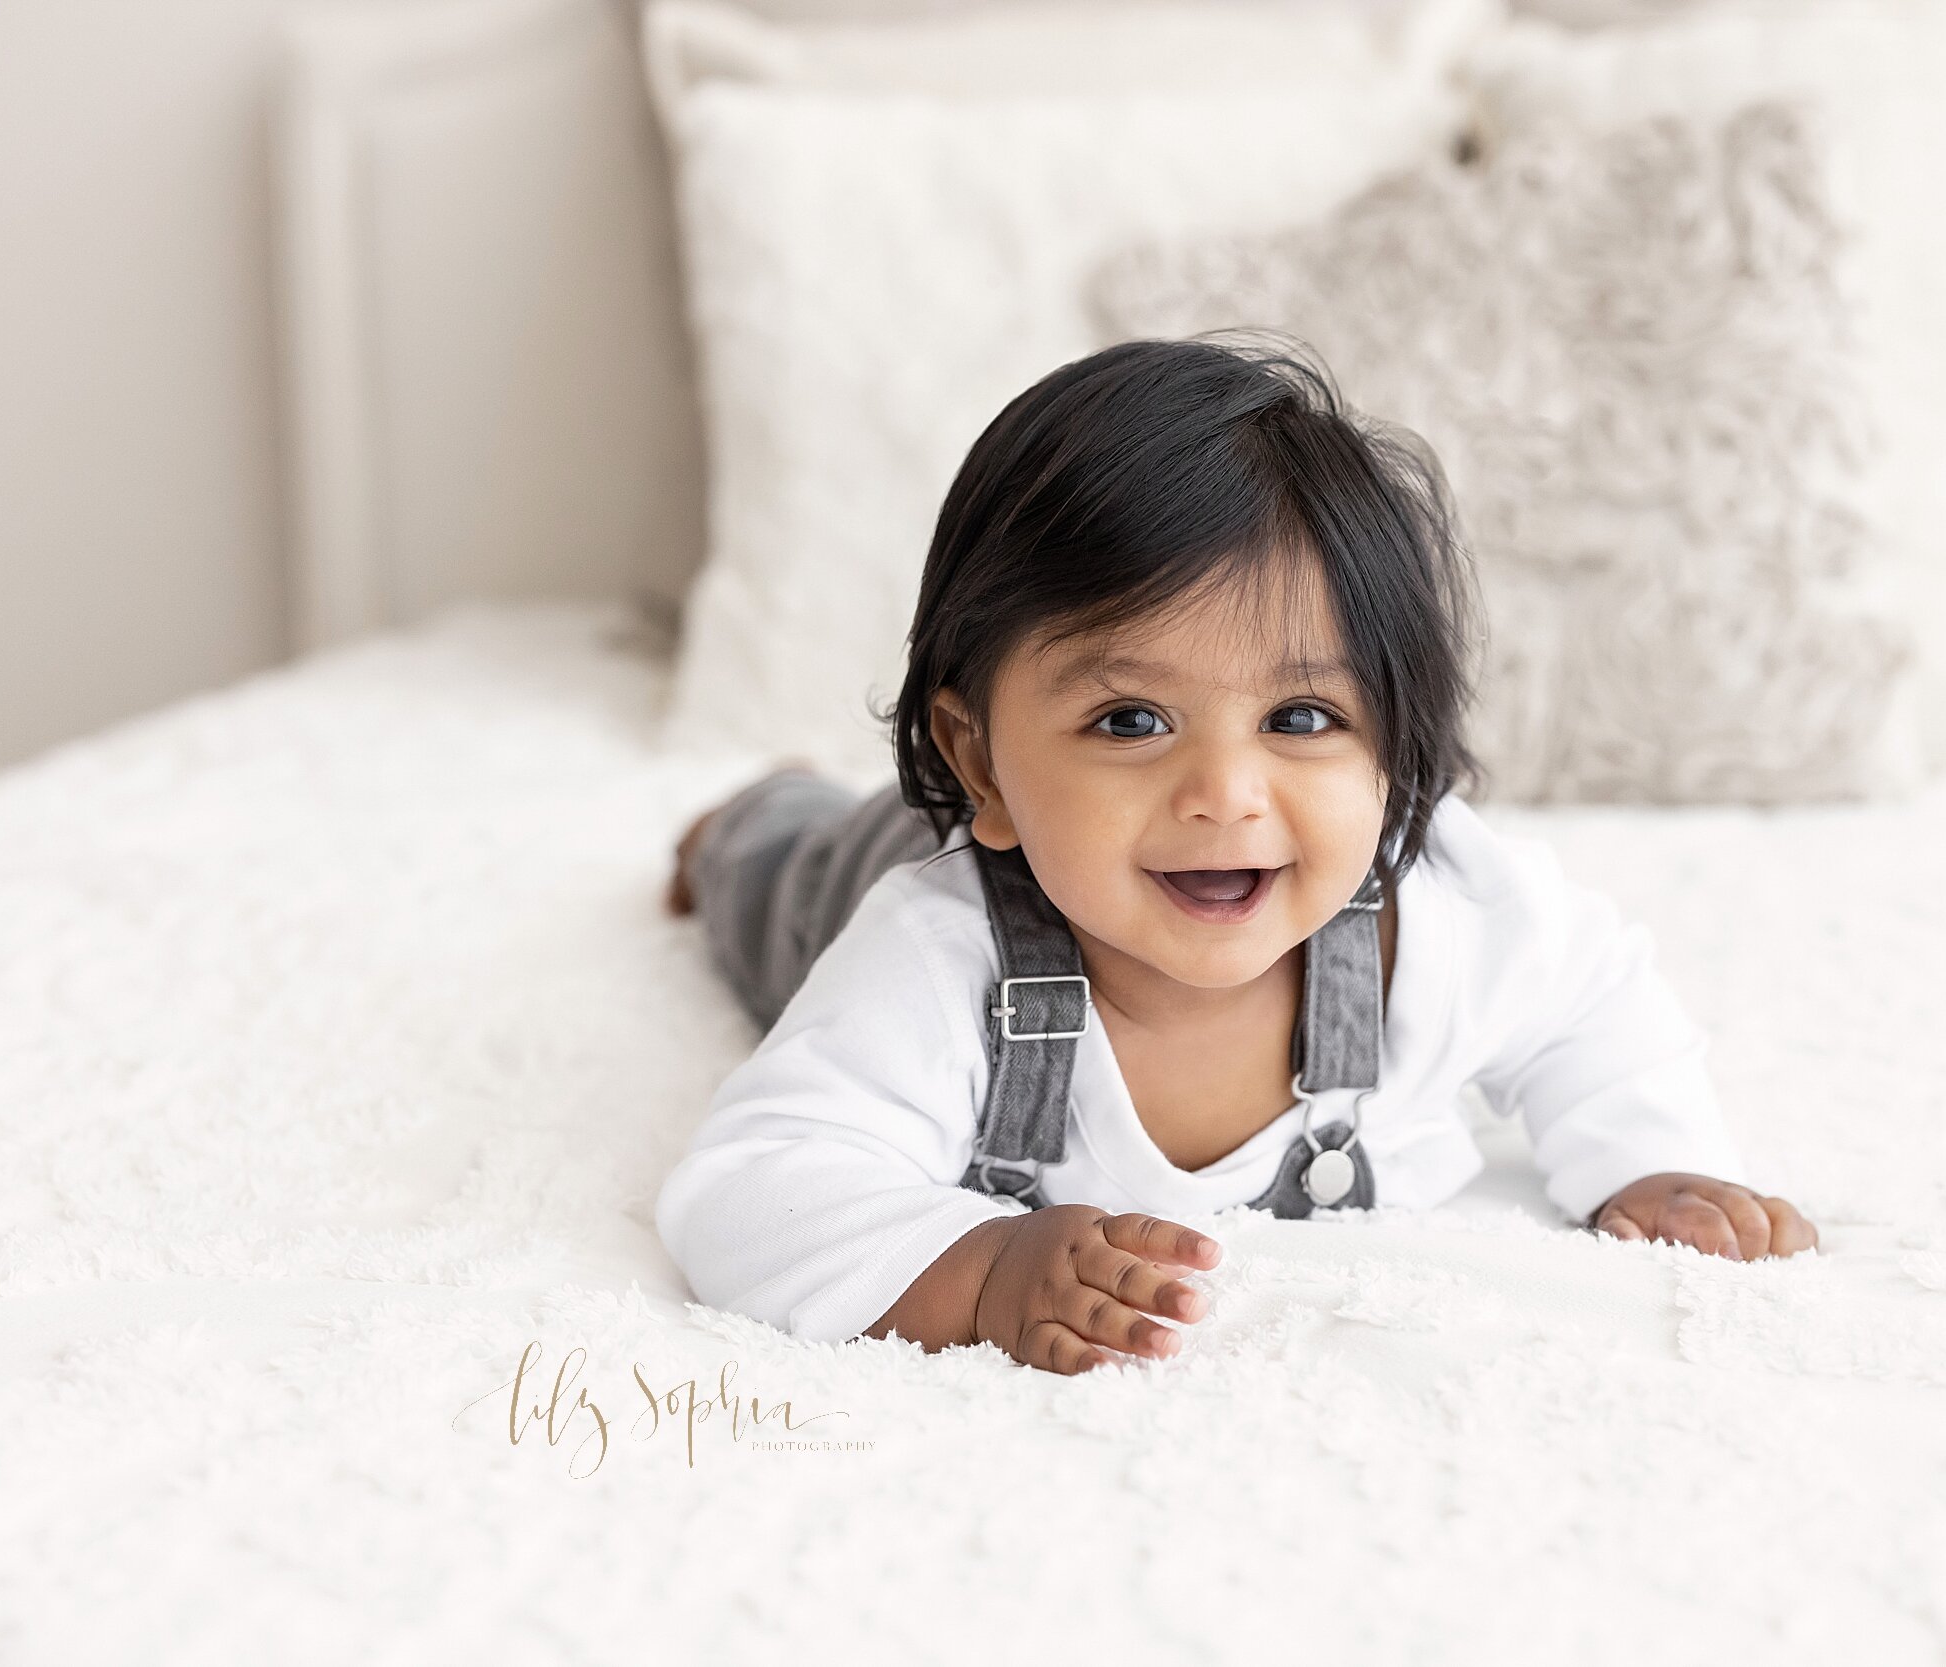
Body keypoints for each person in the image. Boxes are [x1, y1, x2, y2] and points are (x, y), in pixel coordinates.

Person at [656, 334, 1818, 1376]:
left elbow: (1590, 1001)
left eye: (1302, 719)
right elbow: (754, 1188)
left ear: (1395, 742)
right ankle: (747, 819)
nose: (1223, 796)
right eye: (1129, 720)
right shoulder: (933, 948)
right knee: (780, 873)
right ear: (985, 759)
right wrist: (983, 1270)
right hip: (872, 863)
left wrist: (1651, 1160)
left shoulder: (1446, 915)